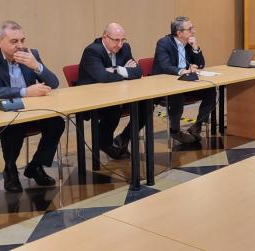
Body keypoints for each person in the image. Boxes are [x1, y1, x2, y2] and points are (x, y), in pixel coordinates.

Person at [0, 20, 64, 193]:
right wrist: (25, 91)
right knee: (14, 127)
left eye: (22, 40)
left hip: (33, 111)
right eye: (14, 41)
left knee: (57, 123)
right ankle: (10, 170)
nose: (20, 46)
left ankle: (36, 166)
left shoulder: (31, 54)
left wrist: (36, 66)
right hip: (5, 112)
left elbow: (54, 83)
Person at [76, 22, 147, 159]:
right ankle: (104, 143)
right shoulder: (92, 51)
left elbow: (138, 72)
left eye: (122, 40)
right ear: (105, 37)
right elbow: (102, 77)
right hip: (92, 99)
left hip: (118, 94)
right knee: (114, 107)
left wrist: (117, 69)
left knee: (145, 104)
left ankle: (124, 138)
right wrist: (126, 71)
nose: (120, 44)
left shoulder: (125, 48)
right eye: (116, 40)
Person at [153, 16, 216, 144]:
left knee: (211, 90)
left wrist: (195, 48)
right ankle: (175, 130)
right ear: (179, 33)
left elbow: (201, 64)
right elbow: (165, 66)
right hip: (166, 86)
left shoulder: (188, 44)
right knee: (178, 94)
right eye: (190, 29)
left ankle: (196, 127)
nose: (193, 31)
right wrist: (182, 70)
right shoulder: (164, 43)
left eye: (193, 28)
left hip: (185, 83)